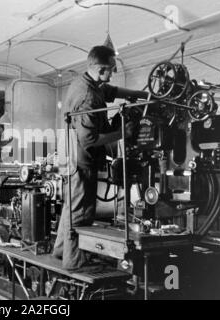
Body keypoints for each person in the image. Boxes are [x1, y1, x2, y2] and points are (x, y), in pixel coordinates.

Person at [53, 46, 149, 270]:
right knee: (81, 211)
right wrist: (122, 132)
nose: (112, 74)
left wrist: (141, 96)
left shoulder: (83, 82)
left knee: (70, 207)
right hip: (80, 160)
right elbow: (89, 139)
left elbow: (111, 91)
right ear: (100, 69)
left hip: (68, 156)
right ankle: (73, 262)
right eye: (111, 70)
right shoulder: (87, 96)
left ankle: (60, 250)